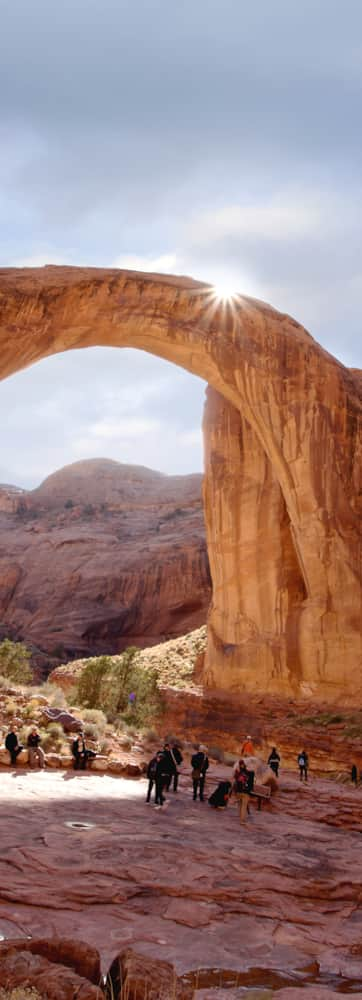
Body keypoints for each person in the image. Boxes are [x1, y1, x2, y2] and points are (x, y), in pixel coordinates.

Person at [233, 759, 255, 823]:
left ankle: (240, 817)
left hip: (238, 792)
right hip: (246, 792)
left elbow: (235, 782)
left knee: (240, 804)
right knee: (244, 806)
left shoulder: (238, 773)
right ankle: (242, 820)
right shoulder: (250, 773)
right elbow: (251, 783)